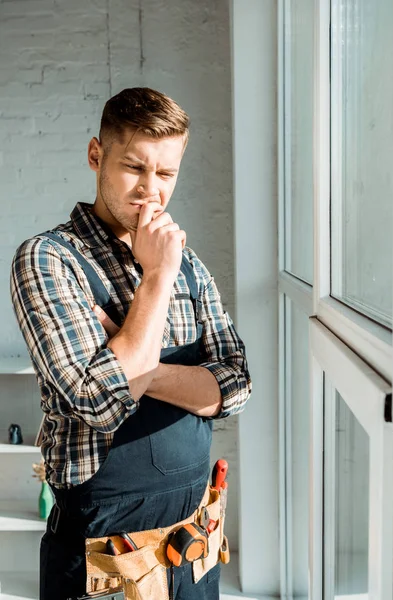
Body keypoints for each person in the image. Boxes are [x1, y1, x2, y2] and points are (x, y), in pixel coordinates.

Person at [10, 87, 251, 600]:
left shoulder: (192, 265)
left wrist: (133, 358)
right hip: (104, 567)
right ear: (96, 155)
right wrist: (157, 278)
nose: (150, 190)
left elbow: (233, 388)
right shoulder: (49, 260)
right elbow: (100, 400)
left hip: (194, 551)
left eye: (165, 174)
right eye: (134, 168)